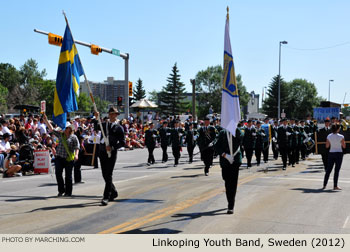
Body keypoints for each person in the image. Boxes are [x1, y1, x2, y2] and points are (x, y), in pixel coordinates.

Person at [94, 107, 125, 206]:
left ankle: (106, 197)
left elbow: (122, 143)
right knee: (104, 174)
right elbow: (96, 127)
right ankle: (113, 191)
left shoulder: (119, 127)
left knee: (109, 174)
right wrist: (96, 118)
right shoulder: (104, 124)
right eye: (110, 114)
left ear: (116, 115)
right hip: (102, 151)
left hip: (111, 152)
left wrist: (112, 147)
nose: (112, 116)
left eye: (114, 114)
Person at [43, 114, 80, 197]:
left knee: (68, 176)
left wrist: (76, 155)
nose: (65, 129)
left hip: (68, 159)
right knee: (58, 174)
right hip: (59, 157)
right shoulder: (60, 135)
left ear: (70, 129)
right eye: (65, 128)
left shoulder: (74, 137)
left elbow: (77, 147)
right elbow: (51, 129)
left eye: (67, 128)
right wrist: (46, 120)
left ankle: (68, 192)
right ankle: (61, 190)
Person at [214, 127, 242, 214]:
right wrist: (224, 155)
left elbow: (240, 137)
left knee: (232, 183)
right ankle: (230, 200)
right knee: (226, 181)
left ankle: (230, 205)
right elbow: (217, 146)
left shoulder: (237, 131)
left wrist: (235, 128)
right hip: (225, 160)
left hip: (235, 160)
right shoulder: (222, 133)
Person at [323, 124, 345, 190]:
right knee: (337, 170)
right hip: (339, 153)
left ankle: (324, 185)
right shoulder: (341, 136)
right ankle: (335, 186)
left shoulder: (329, 136)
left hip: (331, 153)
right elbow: (344, 146)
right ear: (338, 129)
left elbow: (327, 146)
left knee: (328, 170)